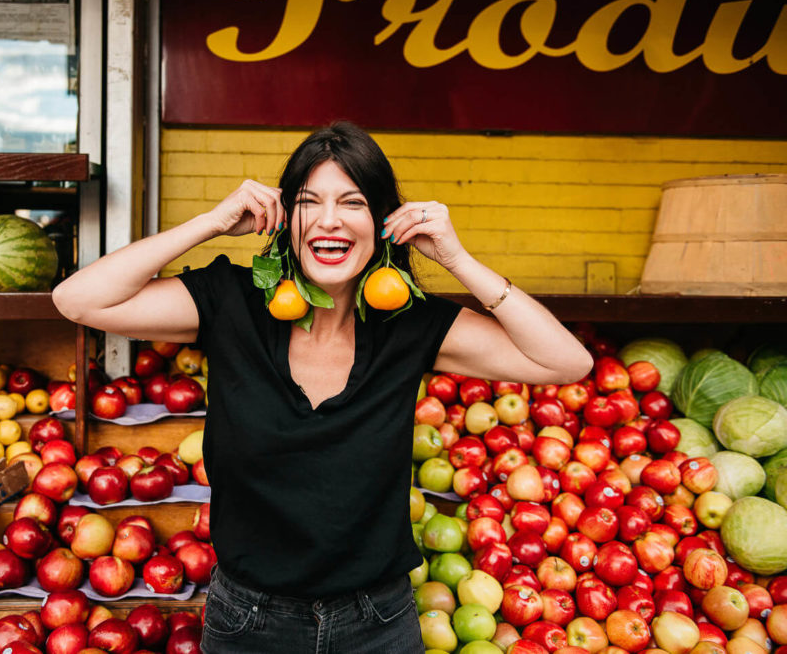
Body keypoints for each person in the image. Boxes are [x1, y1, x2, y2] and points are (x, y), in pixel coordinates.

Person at [52, 122, 593, 653]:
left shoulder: (407, 323)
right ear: (287, 217)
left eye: (353, 202)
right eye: (310, 201)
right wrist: (209, 223)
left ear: (385, 220)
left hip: (378, 624)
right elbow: (79, 301)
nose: (329, 221)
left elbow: (566, 362)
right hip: (248, 622)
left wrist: (456, 259)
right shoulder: (231, 302)